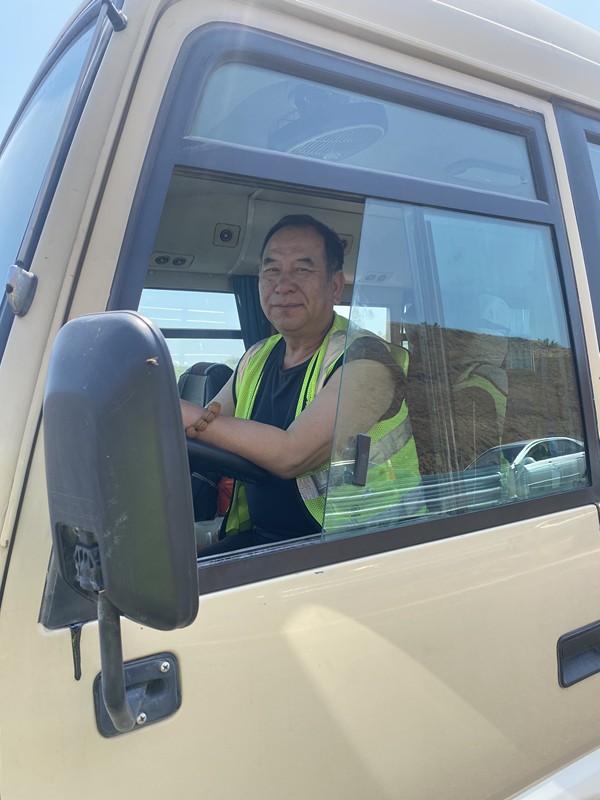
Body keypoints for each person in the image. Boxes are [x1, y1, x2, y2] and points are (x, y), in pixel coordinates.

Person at [181, 214, 421, 554]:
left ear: (335, 286)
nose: (283, 285)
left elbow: (292, 455)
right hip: (269, 540)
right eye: (271, 270)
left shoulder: (367, 361)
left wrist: (181, 413)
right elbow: (206, 429)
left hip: (359, 549)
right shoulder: (256, 357)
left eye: (302, 269)